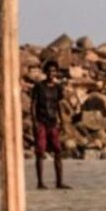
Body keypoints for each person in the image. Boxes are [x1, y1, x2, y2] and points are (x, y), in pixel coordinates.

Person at [30, 59, 70, 190]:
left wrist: (63, 122)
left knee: (58, 151)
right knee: (40, 151)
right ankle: (40, 182)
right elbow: (33, 105)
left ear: (56, 73)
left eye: (53, 71)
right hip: (41, 122)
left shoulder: (58, 88)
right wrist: (34, 121)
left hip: (53, 122)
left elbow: (59, 105)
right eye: (49, 70)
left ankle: (59, 182)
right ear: (45, 71)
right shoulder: (39, 87)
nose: (51, 73)